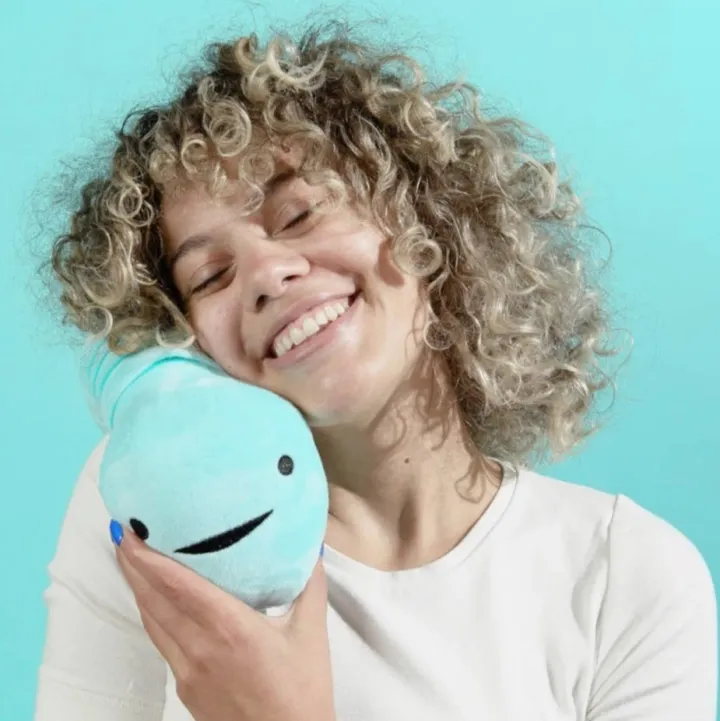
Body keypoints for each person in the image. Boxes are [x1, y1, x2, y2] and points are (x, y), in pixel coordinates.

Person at [36, 20, 717, 721]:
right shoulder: (158, 507)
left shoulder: (622, 576)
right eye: (209, 276)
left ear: (428, 216)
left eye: (299, 213)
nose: (266, 273)